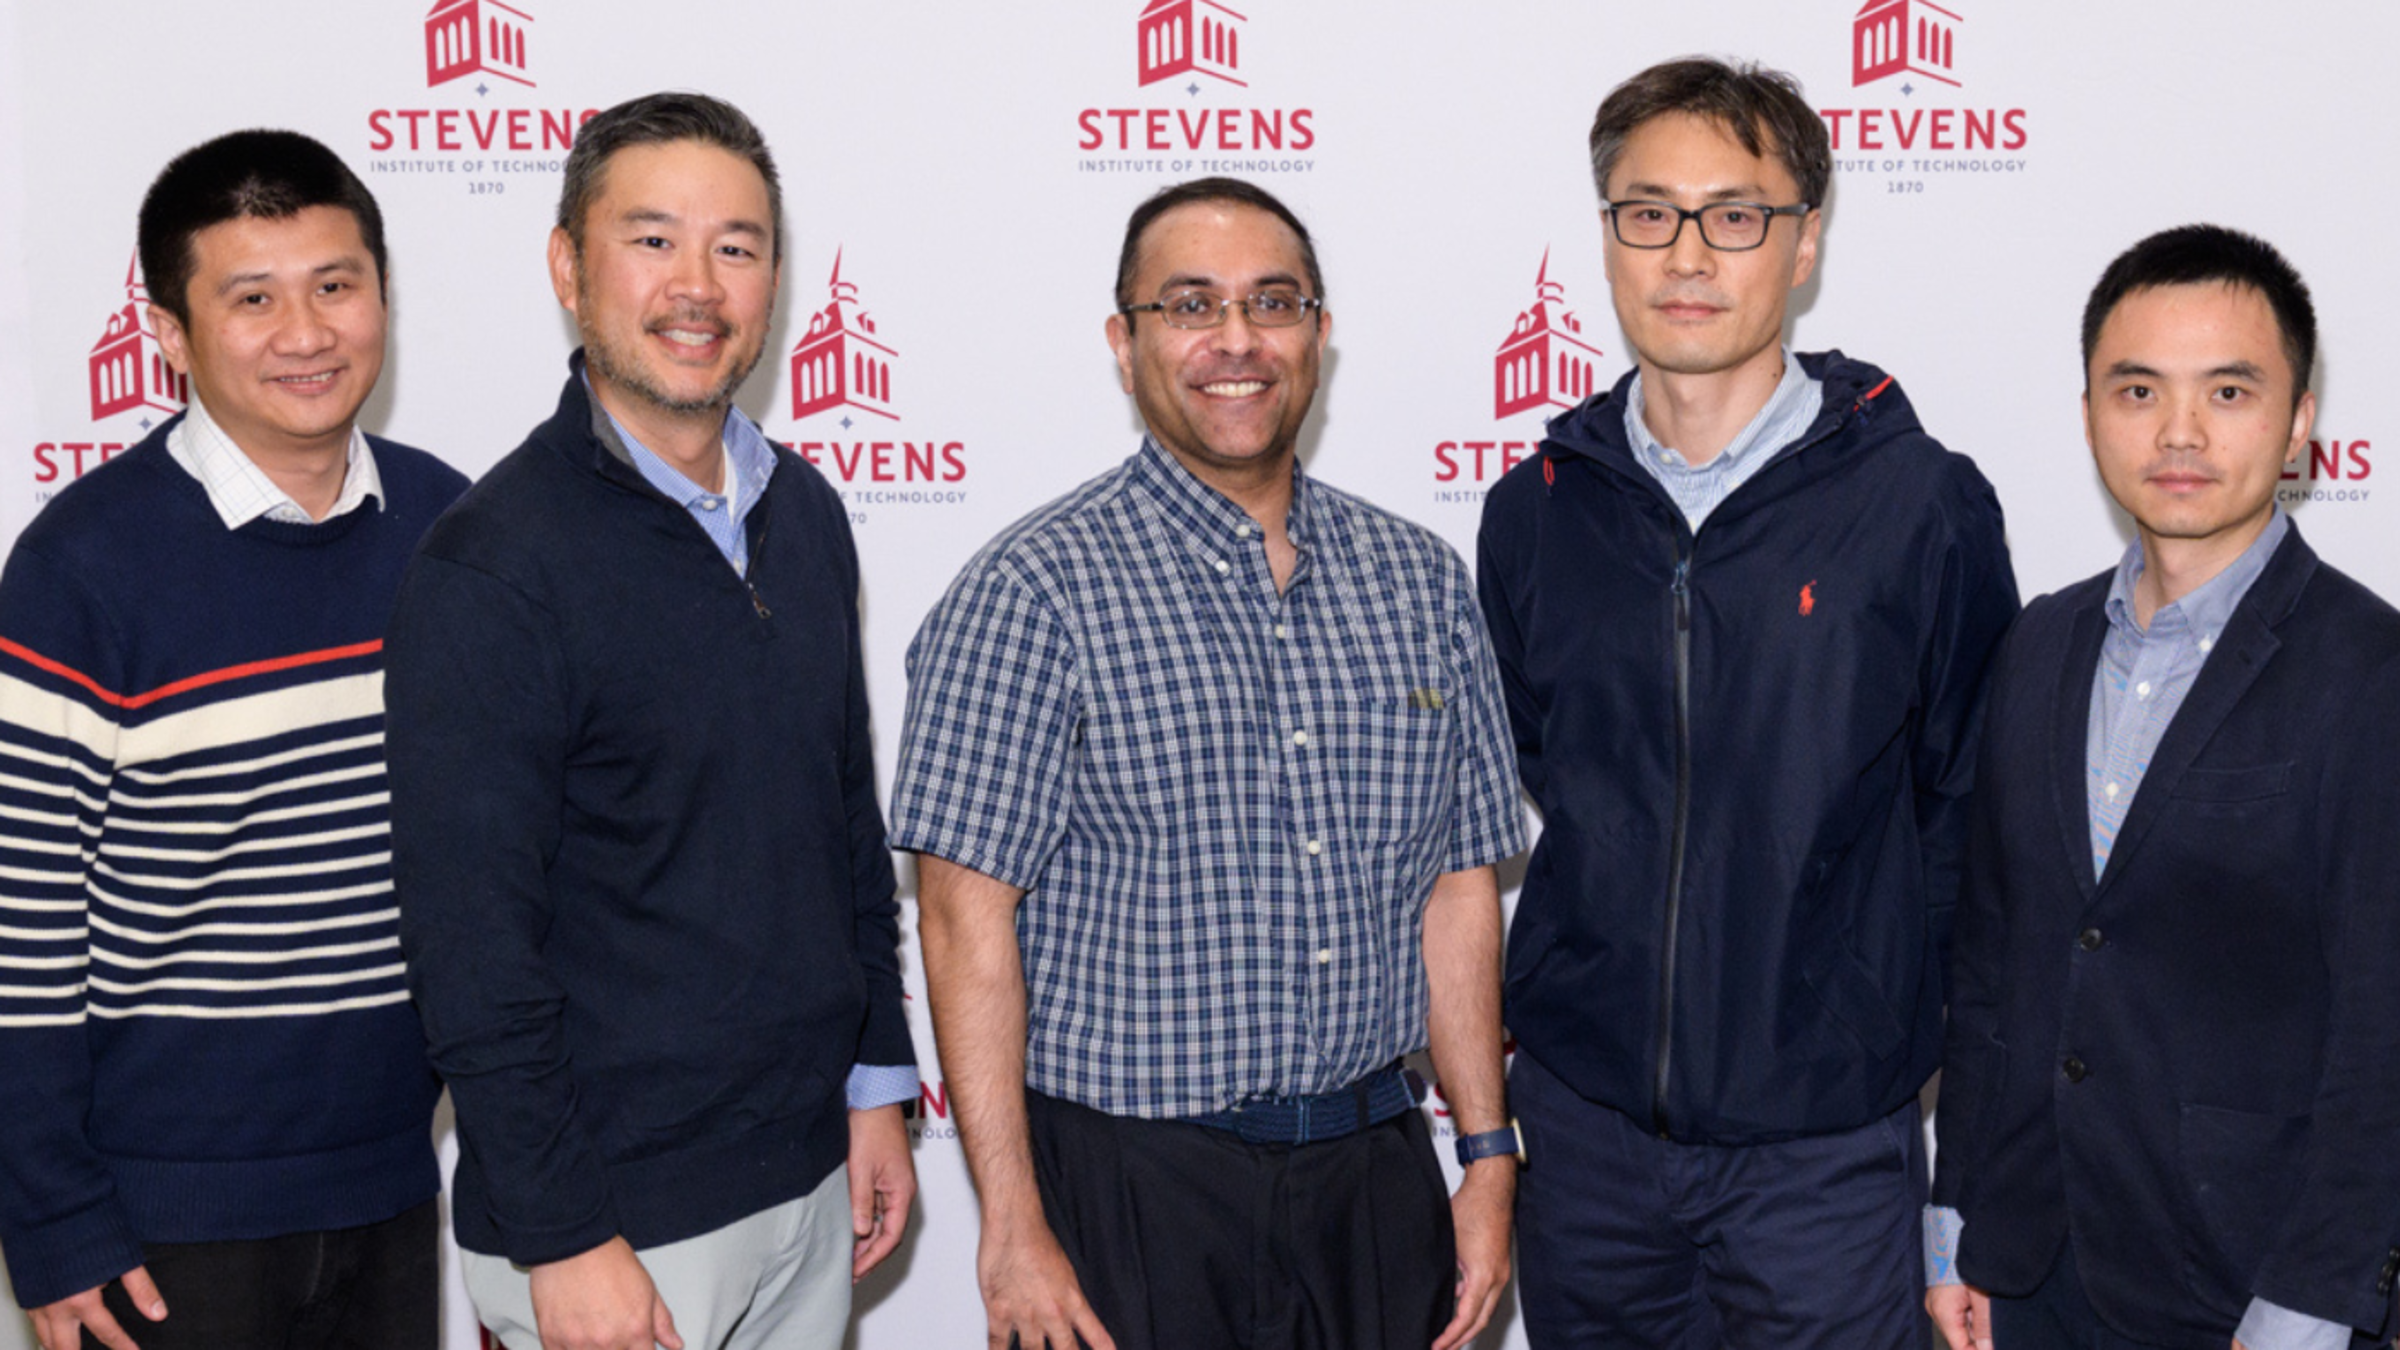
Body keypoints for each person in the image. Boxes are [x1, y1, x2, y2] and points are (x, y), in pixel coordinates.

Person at [890, 176, 1526, 1350]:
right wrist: (1012, 1223)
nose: (1237, 340)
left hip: (1375, 1182)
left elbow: (1456, 893)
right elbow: (959, 923)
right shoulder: (1032, 593)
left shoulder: (1422, 582)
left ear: (1319, 334)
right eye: (1190, 306)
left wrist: (1486, 1158)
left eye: (1272, 302)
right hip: (1130, 1193)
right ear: (1124, 343)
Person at [1475, 57, 2019, 1349]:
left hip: (1824, 1148)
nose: (1688, 254)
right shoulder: (1535, 513)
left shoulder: (1920, 504)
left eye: (1736, 213)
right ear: (1607, 231)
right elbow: (1553, 772)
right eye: (1647, 211)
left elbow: (1973, 815)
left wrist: (1869, 1025)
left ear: (1805, 237)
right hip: (1588, 1136)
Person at [384, 92, 915, 1350]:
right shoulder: (495, 564)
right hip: (616, 1223)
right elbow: (470, 947)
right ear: (570, 266)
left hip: (805, 1179)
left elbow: (843, 818)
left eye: (736, 246)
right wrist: (563, 1231)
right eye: (653, 239)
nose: (699, 285)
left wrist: (876, 1083)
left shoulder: (806, 510)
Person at [0, 130, 466, 1350]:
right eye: (251, 298)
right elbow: (21, 921)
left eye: (336, 284)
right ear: (169, 332)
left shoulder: (451, 527)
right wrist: (51, 1223)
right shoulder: (79, 570)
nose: (306, 332)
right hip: (157, 1229)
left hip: (389, 1184)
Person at [1927, 225, 2400, 1350]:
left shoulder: (2371, 672)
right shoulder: (2037, 645)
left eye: (2228, 391)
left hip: (2249, 1286)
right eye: (2137, 389)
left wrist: (2314, 1302)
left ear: (2298, 426)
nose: (2178, 431)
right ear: (2091, 410)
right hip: (2031, 1269)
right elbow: (1998, 962)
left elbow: (2386, 1029)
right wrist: (1961, 1216)